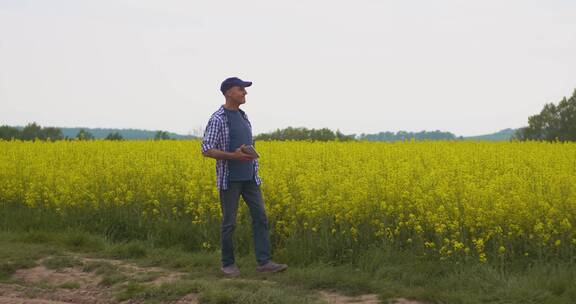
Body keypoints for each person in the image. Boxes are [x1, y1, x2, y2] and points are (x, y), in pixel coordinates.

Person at [201, 76, 288, 277]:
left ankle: (264, 262)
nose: (245, 93)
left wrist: (248, 153)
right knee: (229, 222)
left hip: (250, 178)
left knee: (260, 217)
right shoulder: (218, 118)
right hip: (229, 179)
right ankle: (227, 264)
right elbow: (206, 149)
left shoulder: (243, 115)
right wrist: (234, 156)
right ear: (229, 92)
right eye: (241, 89)